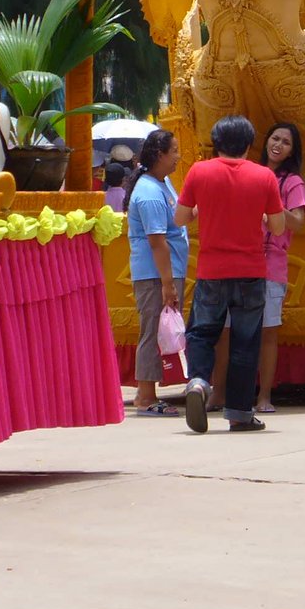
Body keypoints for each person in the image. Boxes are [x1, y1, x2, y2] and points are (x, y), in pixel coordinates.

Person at [175, 115, 286, 434]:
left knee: (201, 333)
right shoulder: (264, 176)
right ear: (250, 145)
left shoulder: (199, 171)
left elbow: (180, 218)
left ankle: (197, 381)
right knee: (246, 342)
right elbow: (278, 227)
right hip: (251, 271)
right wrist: (261, 215)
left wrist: (201, 210)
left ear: (216, 143)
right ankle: (239, 413)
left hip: (211, 270)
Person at [125, 129, 188, 416]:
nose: (178, 157)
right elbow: (156, 241)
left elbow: (178, 218)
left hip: (167, 271)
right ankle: (147, 397)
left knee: (158, 330)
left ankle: (145, 392)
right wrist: (167, 284)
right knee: (152, 330)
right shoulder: (149, 192)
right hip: (155, 274)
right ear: (160, 155)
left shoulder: (163, 184)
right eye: (174, 151)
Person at [257, 122, 305, 414]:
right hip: (241, 260)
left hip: (272, 262)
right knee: (235, 331)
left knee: (268, 332)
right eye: (275, 138)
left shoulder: (292, 182)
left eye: (286, 142)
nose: (278, 145)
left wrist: (273, 205)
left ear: (292, 151)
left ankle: (264, 395)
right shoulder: (251, 173)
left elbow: (298, 221)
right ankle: (226, 393)